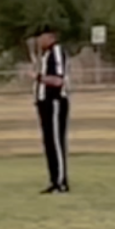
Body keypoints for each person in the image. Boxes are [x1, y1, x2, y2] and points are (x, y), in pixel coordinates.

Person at [33, 24, 69, 193]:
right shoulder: (46, 55)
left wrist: (38, 77)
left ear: (50, 37)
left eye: (41, 37)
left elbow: (58, 80)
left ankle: (60, 182)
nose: (39, 41)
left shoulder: (56, 52)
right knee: (48, 142)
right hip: (44, 103)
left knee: (55, 142)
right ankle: (54, 179)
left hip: (54, 102)